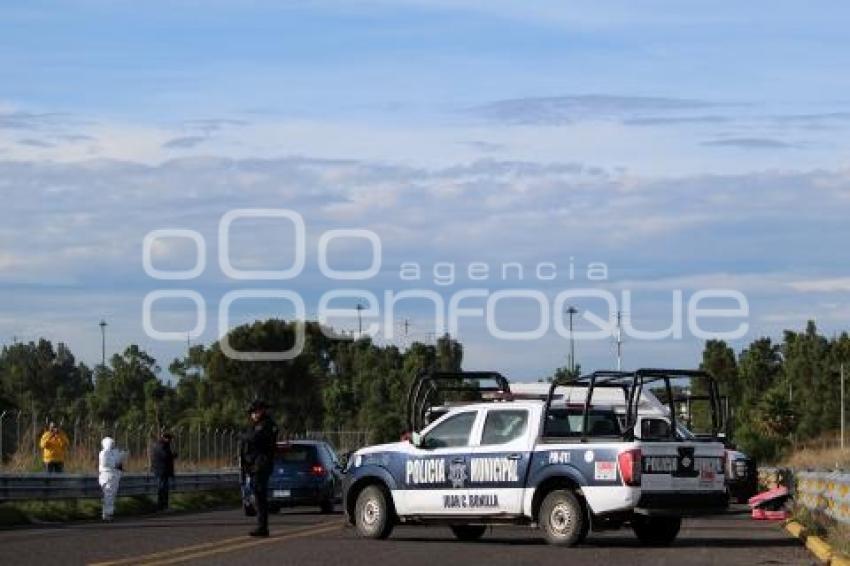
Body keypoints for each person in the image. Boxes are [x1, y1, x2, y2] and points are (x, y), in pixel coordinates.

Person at [242, 400, 278, 537]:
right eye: (252, 412)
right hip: (255, 464)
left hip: (261, 464)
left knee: (259, 494)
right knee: (258, 494)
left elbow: (254, 438)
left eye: (255, 411)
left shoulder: (266, 425)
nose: (253, 415)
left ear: (261, 410)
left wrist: (243, 436)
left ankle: (262, 527)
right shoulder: (258, 425)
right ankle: (261, 526)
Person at [98, 437, 125, 521]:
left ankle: (108, 513)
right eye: (111, 444)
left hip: (115, 475)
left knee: (111, 495)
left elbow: (119, 461)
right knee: (108, 495)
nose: (113, 445)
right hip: (107, 476)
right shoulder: (104, 453)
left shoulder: (114, 452)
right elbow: (105, 463)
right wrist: (116, 464)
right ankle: (107, 514)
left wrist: (124, 454)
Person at [150, 432, 176, 511]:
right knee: (162, 488)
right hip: (161, 470)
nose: (170, 441)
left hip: (162, 470)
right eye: (169, 439)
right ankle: (162, 506)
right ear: (166, 438)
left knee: (164, 488)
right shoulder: (161, 446)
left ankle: (163, 506)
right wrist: (173, 456)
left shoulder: (161, 445)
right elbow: (164, 456)